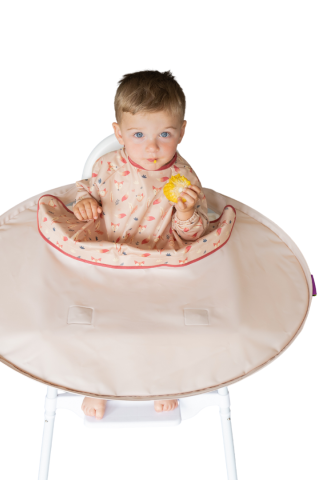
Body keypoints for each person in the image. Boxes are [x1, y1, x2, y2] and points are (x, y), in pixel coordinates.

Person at [74, 70, 210, 419]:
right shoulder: (107, 165)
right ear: (118, 133)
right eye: (138, 135)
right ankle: (97, 384)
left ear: (181, 131)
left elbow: (195, 234)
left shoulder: (184, 178)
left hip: (158, 263)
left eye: (165, 134)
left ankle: (161, 380)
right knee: (99, 322)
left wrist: (187, 212)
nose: (152, 147)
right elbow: (87, 188)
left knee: (160, 325)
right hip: (108, 257)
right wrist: (84, 202)